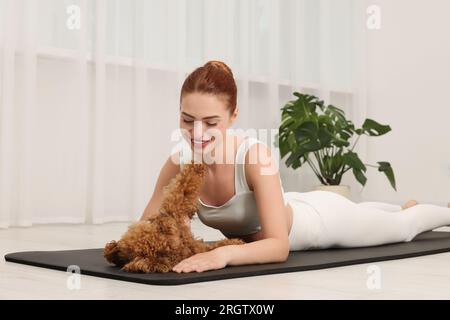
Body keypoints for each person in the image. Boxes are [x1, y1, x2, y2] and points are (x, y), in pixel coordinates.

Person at [140, 60, 450, 273]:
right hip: (293, 203)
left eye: (210, 122)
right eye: (187, 120)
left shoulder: (253, 158)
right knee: (377, 213)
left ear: (233, 117)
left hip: (320, 223)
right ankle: (401, 206)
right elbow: (147, 225)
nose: (196, 133)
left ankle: (434, 212)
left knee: (404, 228)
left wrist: (223, 254)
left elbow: (278, 246)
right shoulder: (178, 164)